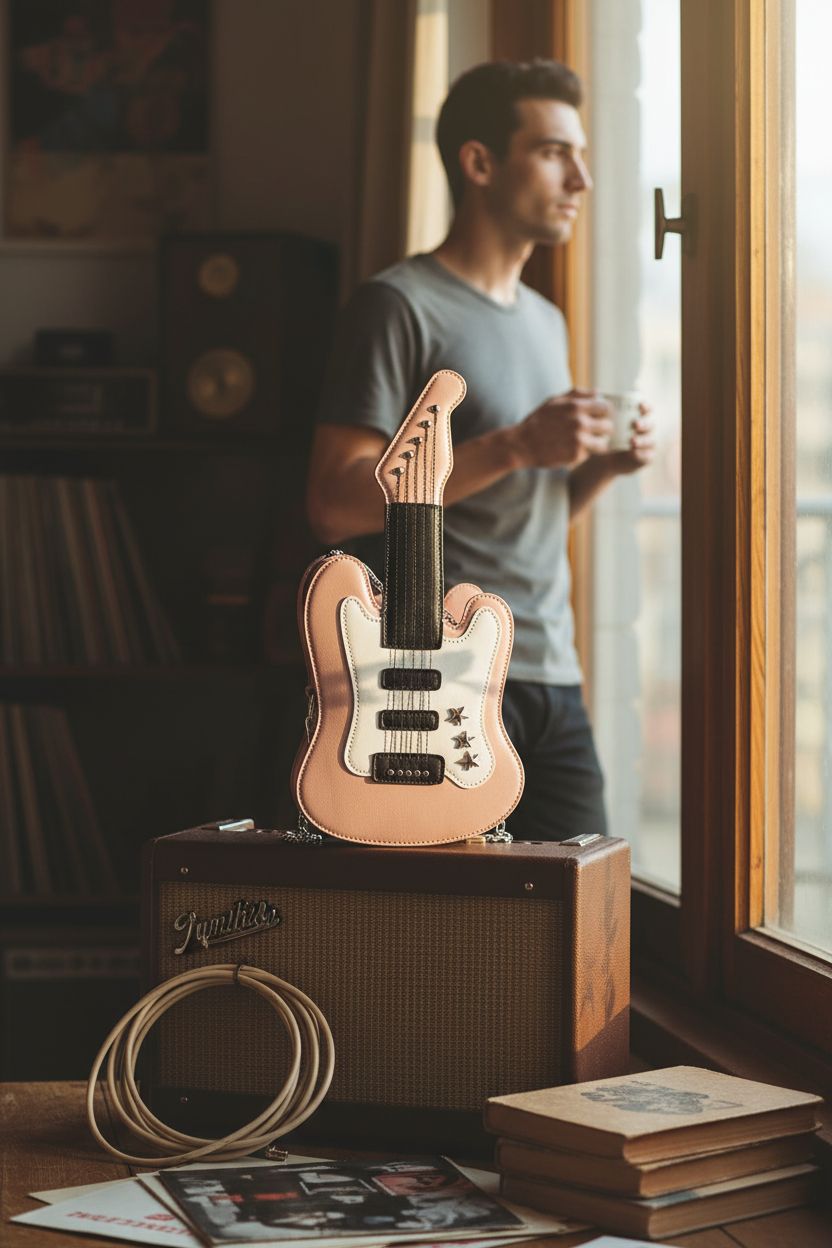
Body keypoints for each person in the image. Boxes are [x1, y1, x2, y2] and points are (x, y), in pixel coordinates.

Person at [306, 58, 655, 841]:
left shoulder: (546, 321)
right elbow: (333, 503)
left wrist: (599, 466)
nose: (583, 179)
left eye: (582, 154)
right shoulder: (397, 305)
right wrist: (517, 443)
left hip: (552, 675)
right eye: (555, 152)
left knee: (582, 928)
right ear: (480, 163)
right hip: (435, 683)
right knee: (449, 943)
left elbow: (516, 514)